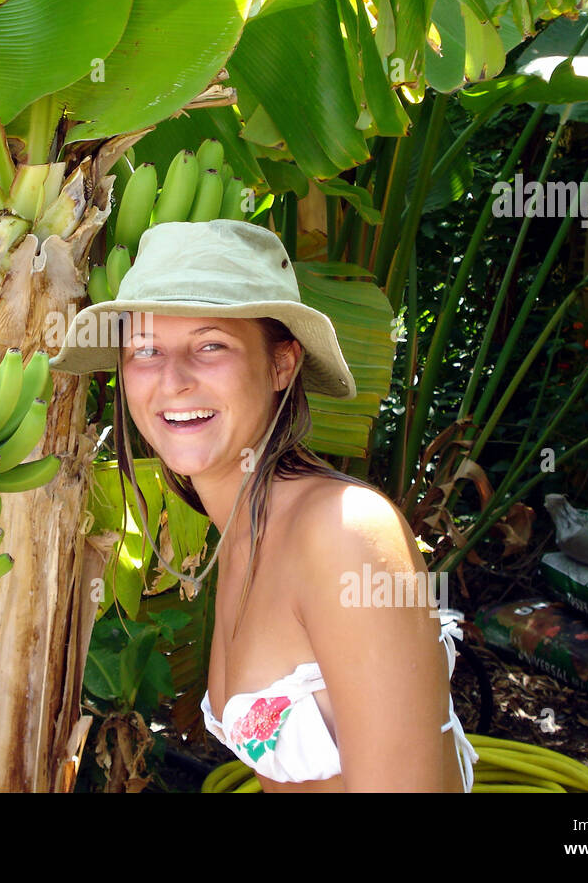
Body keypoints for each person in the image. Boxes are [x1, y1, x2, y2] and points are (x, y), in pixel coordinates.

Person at [48, 218, 478, 792]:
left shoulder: (344, 531)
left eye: (210, 345)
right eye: (145, 349)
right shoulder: (235, 532)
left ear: (282, 364)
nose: (172, 380)